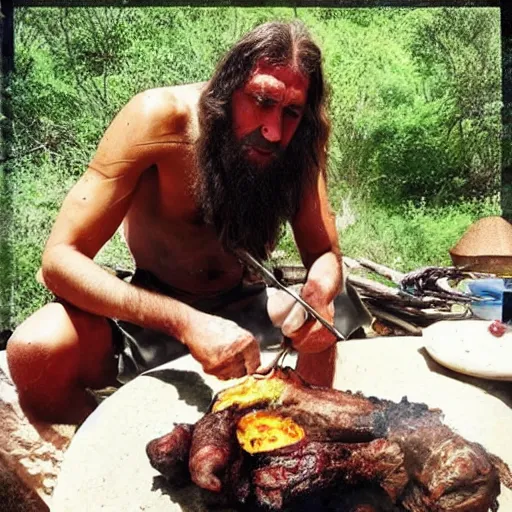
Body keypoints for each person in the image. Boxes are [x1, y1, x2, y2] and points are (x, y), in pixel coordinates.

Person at [6, 21, 370, 425]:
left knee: (333, 304)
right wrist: (187, 323)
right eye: (262, 100)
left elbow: (322, 254)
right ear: (228, 87)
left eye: (291, 111)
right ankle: (111, 445)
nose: (273, 129)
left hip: (244, 305)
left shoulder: (298, 140)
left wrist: (318, 295)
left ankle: (300, 434)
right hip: (149, 317)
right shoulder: (157, 118)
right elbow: (58, 260)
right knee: (36, 348)